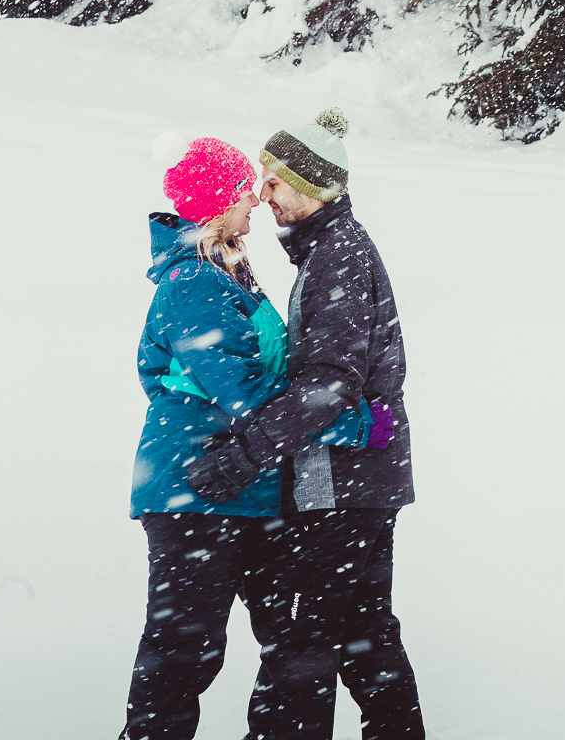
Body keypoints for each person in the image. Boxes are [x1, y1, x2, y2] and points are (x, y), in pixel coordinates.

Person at [123, 135, 382, 740]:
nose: (254, 205)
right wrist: (355, 421)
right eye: (244, 193)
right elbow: (248, 391)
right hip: (194, 494)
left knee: (292, 643)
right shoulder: (193, 283)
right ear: (218, 204)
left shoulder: (226, 271)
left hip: (248, 490)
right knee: (185, 651)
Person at [185, 108, 425, 740]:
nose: (261, 197)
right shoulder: (329, 253)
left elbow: (328, 385)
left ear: (314, 187)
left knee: (300, 642)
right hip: (363, 482)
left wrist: (245, 454)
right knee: (363, 635)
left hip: (343, 487)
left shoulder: (336, 259)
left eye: (273, 181)